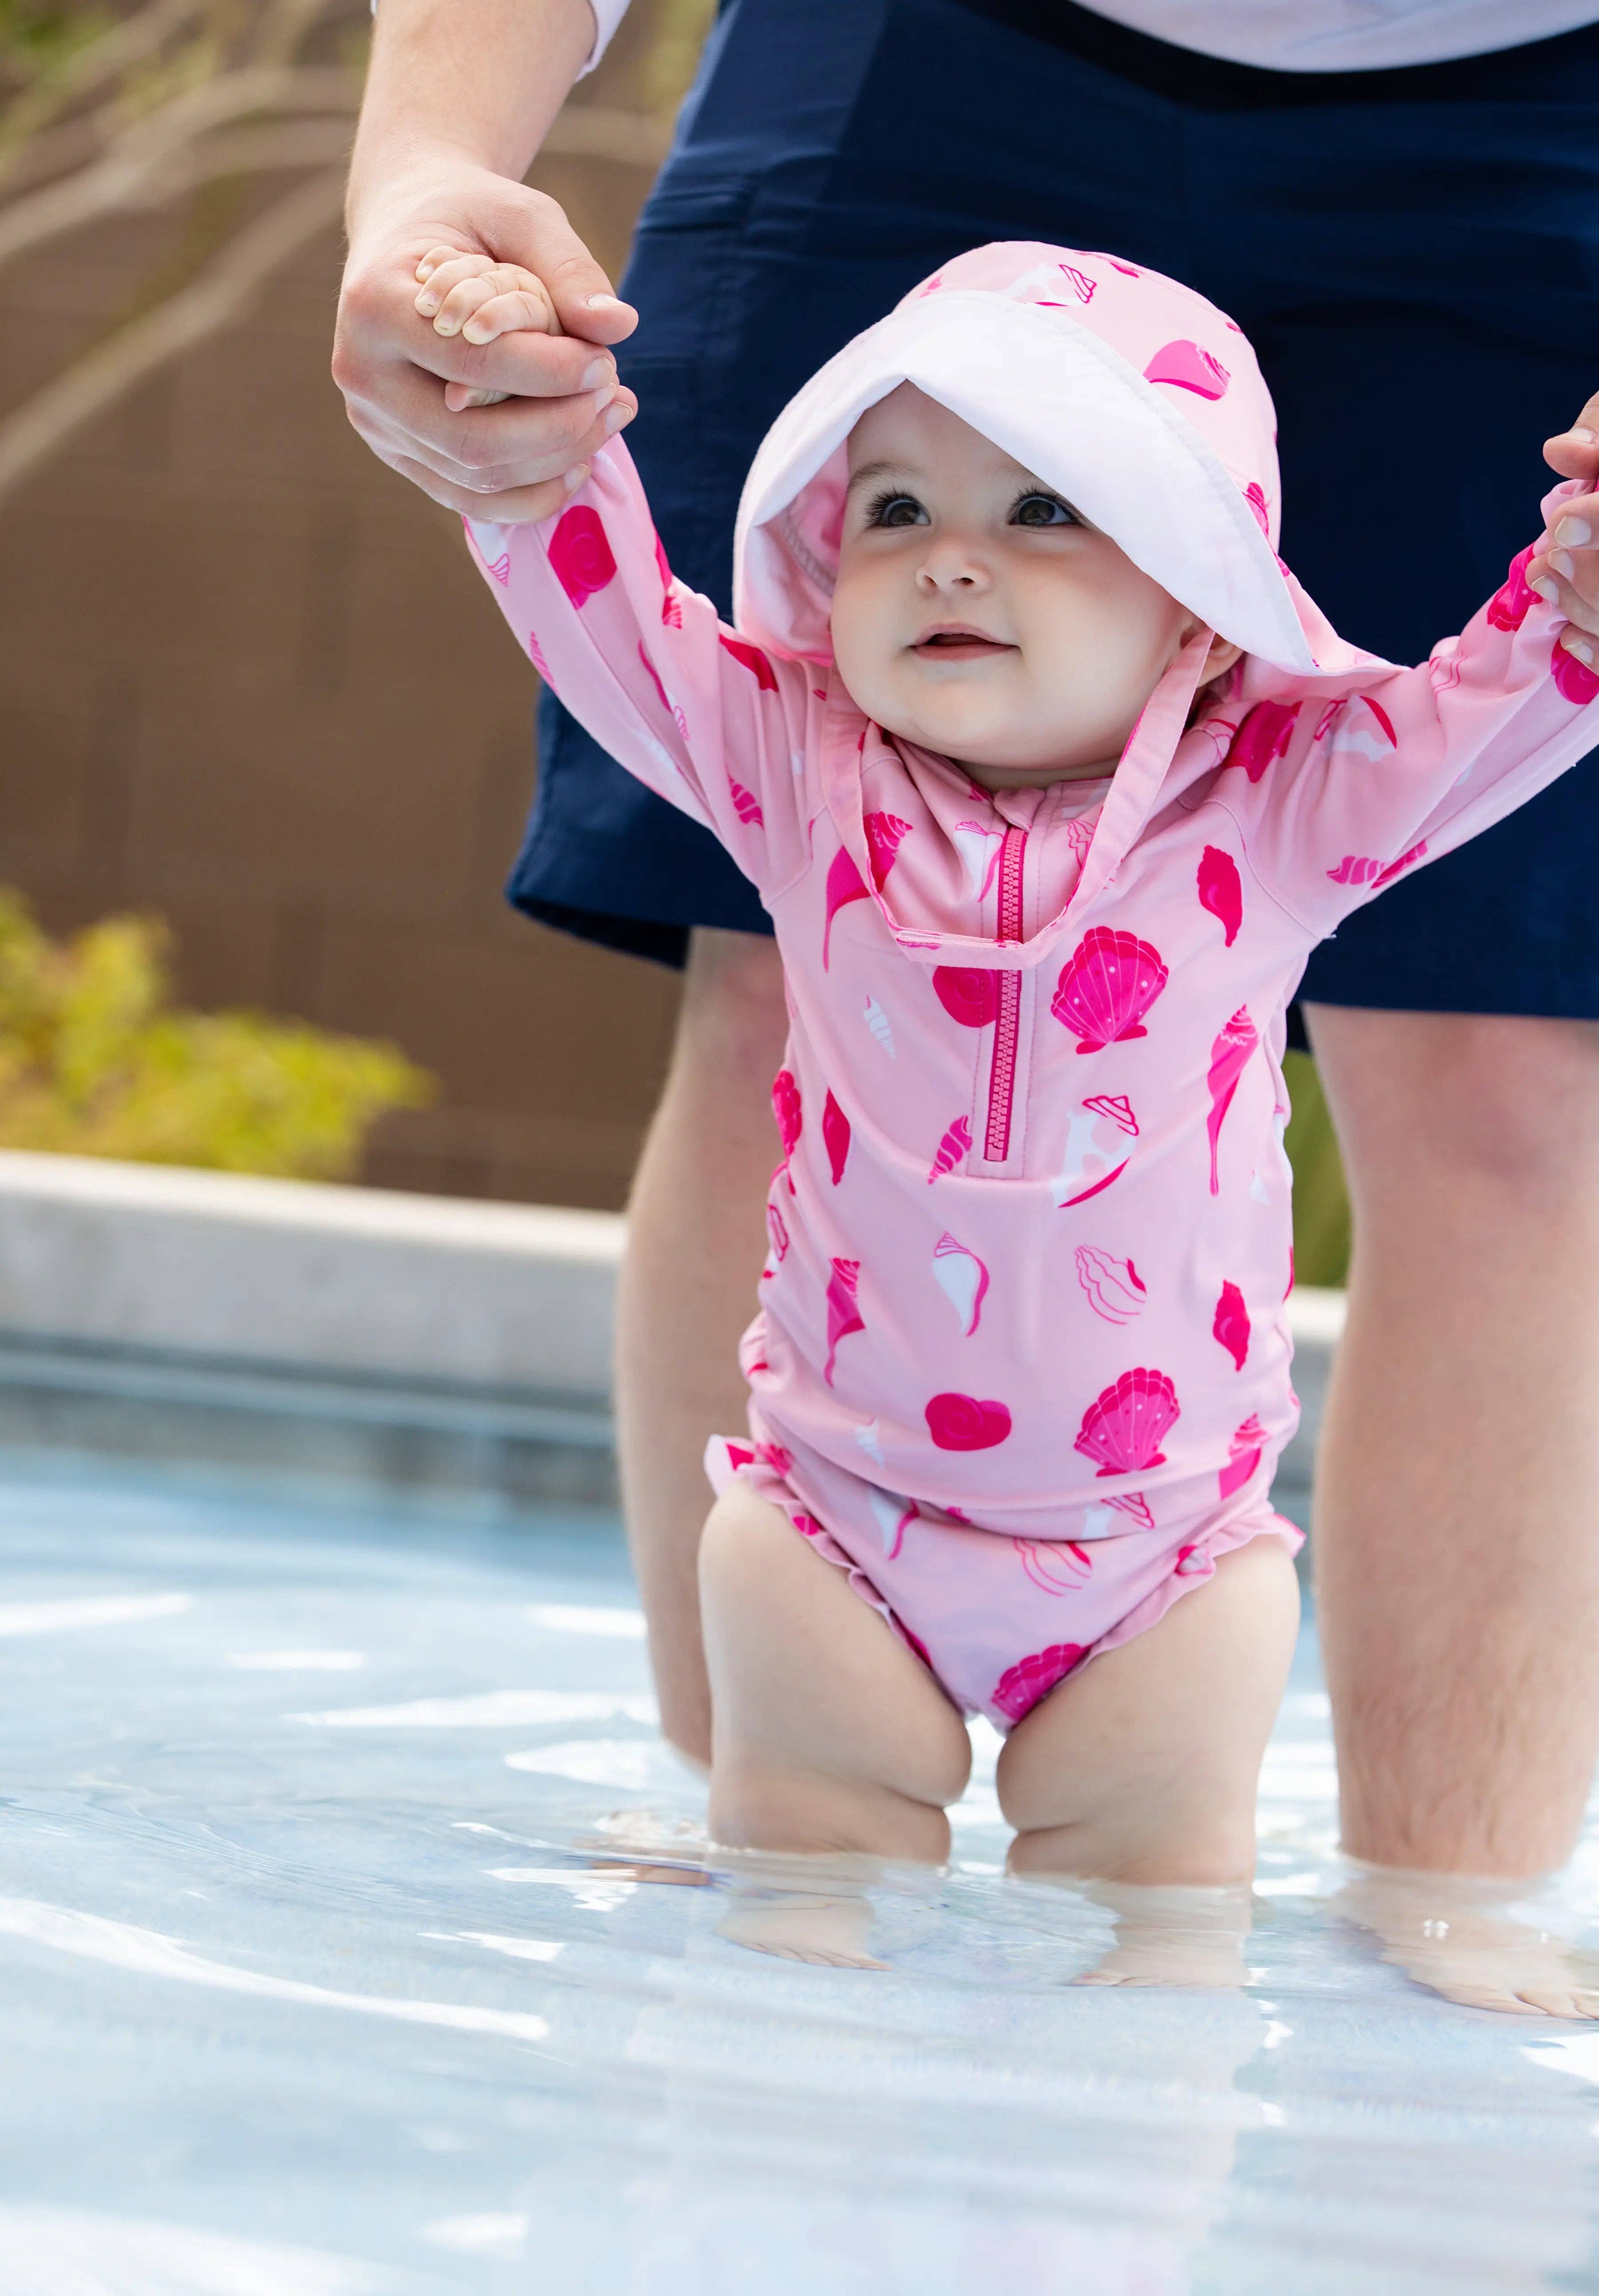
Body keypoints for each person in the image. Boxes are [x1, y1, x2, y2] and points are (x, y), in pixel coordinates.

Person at [333, 0, 1599, 1912]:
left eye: (1049, 515)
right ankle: (711, 1821)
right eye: (895, 507)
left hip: (1168, 1567)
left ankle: (1446, 1940)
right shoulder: (792, 765)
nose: (949, 558)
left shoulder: (1283, 803)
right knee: (785, 1944)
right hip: (824, 1534)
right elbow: (611, 611)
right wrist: (503, 402)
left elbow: (1507, 704)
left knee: (1500, 1063)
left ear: (1199, 610)